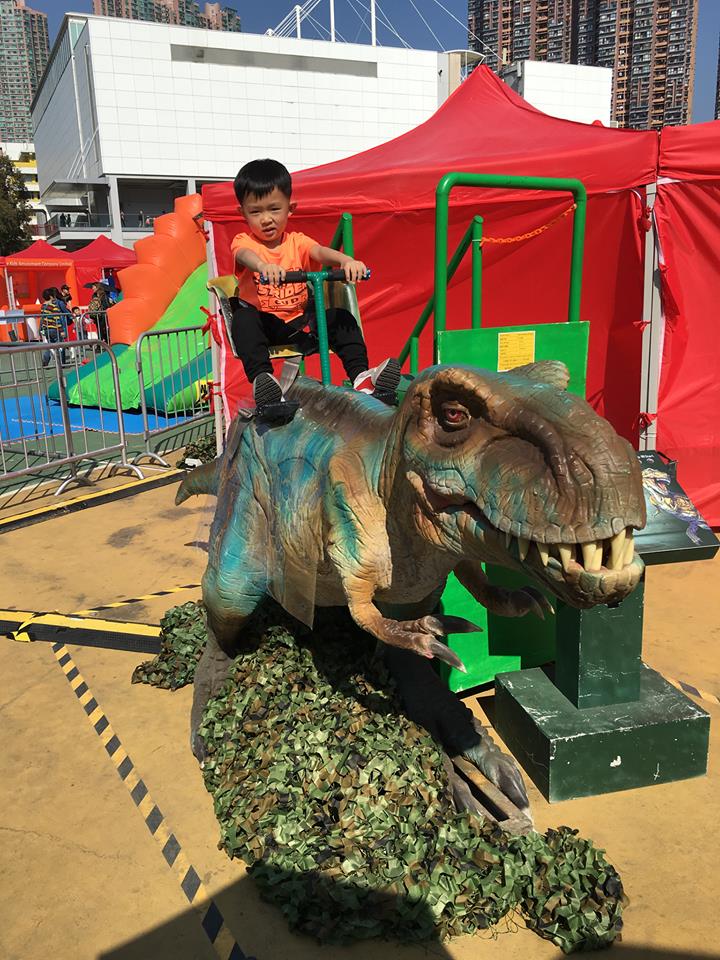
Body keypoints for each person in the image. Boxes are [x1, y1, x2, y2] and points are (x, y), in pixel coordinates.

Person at [229, 158, 400, 407]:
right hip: (266, 326)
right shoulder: (244, 242)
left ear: (290, 208)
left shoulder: (297, 242)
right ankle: (265, 384)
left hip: (300, 324)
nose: (266, 219)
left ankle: (361, 377)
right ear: (242, 213)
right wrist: (263, 266)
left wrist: (346, 260)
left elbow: (319, 252)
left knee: (340, 317)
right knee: (243, 320)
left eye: (274, 209)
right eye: (256, 212)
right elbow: (244, 255)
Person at [39, 288, 67, 366]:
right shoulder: (54, 306)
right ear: (51, 296)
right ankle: (61, 362)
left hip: (46, 328)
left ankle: (45, 360)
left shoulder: (43, 306)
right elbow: (57, 319)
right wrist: (61, 330)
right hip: (54, 328)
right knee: (60, 345)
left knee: (50, 346)